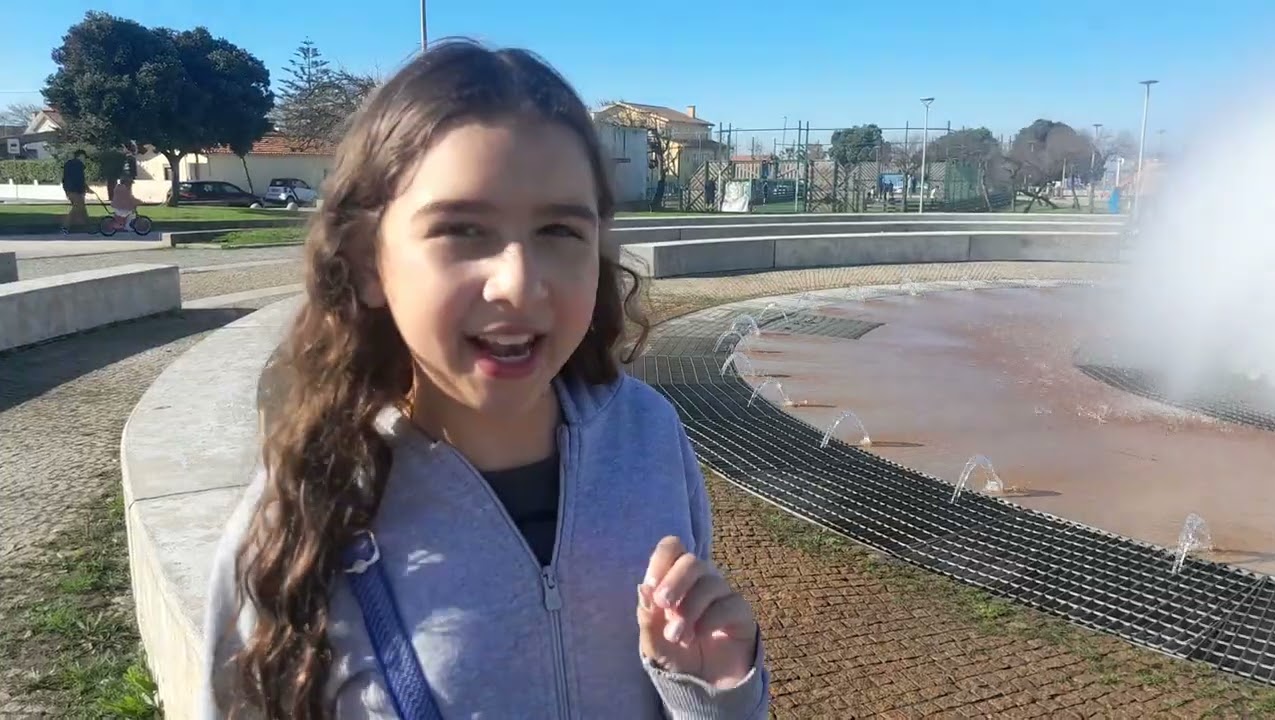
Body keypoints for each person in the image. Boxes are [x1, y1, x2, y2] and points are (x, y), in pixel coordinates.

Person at [201, 39, 769, 719]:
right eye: (464, 229)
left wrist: (712, 694)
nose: (520, 285)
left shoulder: (648, 438)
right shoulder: (299, 514)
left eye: (559, 231)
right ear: (366, 264)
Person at [60, 149, 88, 234]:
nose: (85, 159)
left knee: (82, 209)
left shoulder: (68, 164)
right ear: (80, 156)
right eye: (84, 157)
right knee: (77, 208)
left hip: (69, 189)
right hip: (76, 190)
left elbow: (65, 178)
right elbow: (80, 179)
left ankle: (88, 227)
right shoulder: (79, 164)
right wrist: (84, 188)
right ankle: (65, 227)